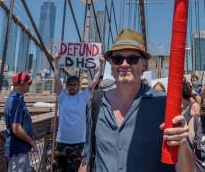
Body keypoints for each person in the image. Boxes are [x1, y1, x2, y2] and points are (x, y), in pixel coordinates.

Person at [80, 29, 189, 172]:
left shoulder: (164, 106)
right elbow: (86, 160)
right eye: (118, 59)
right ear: (111, 64)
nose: (124, 64)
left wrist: (182, 145)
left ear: (144, 64)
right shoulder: (96, 103)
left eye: (132, 59)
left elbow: (187, 169)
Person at [53, 52, 105, 172]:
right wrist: (56, 62)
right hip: (61, 142)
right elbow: (56, 78)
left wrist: (101, 65)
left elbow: (95, 81)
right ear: (66, 86)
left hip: (78, 144)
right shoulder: (62, 96)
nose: (72, 87)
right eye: (70, 85)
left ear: (79, 85)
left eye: (75, 84)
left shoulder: (84, 97)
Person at [4, 71, 35, 172]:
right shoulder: (16, 101)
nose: (29, 85)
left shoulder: (17, 99)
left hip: (20, 149)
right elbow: (16, 128)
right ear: (21, 84)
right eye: (28, 83)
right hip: (17, 150)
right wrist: (31, 141)